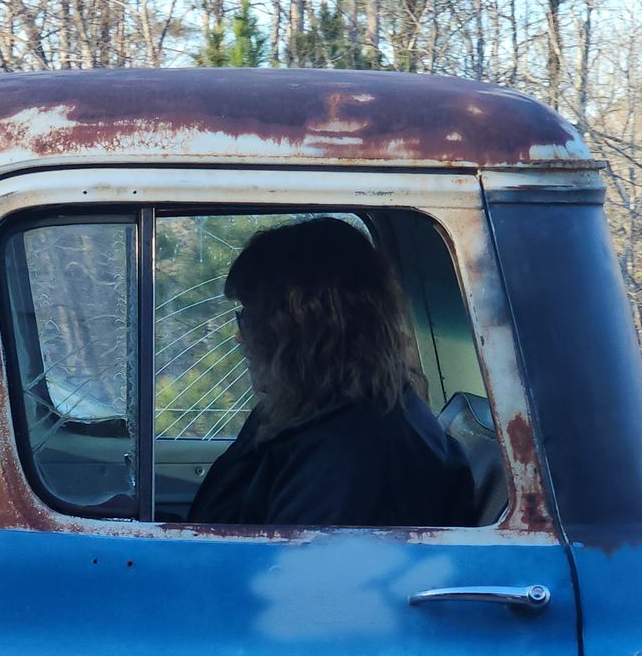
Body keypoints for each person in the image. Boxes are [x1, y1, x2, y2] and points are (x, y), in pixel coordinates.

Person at [185, 217, 478, 528]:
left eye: (250, 319)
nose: (239, 337)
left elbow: (291, 557)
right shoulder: (313, 415)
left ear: (299, 331)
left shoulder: (350, 457)